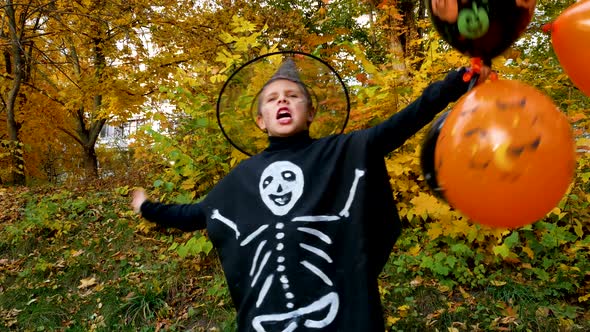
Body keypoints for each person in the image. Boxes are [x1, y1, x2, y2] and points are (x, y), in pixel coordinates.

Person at [131, 57, 490, 331]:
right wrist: (148, 208)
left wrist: (456, 82)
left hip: (339, 311)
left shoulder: (342, 153)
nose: (282, 101)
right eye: (271, 99)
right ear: (261, 119)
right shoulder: (240, 180)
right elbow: (197, 214)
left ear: (310, 111)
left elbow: (404, 122)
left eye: (292, 96)